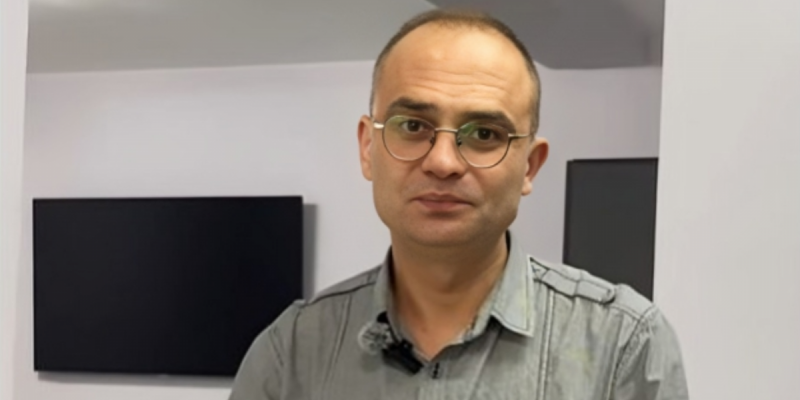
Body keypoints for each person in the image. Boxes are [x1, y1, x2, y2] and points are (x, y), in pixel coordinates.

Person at [229, 9, 688, 400]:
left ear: (530, 166)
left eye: (484, 134)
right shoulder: (290, 355)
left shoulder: (622, 346)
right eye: (413, 126)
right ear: (368, 148)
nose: (443, 162)